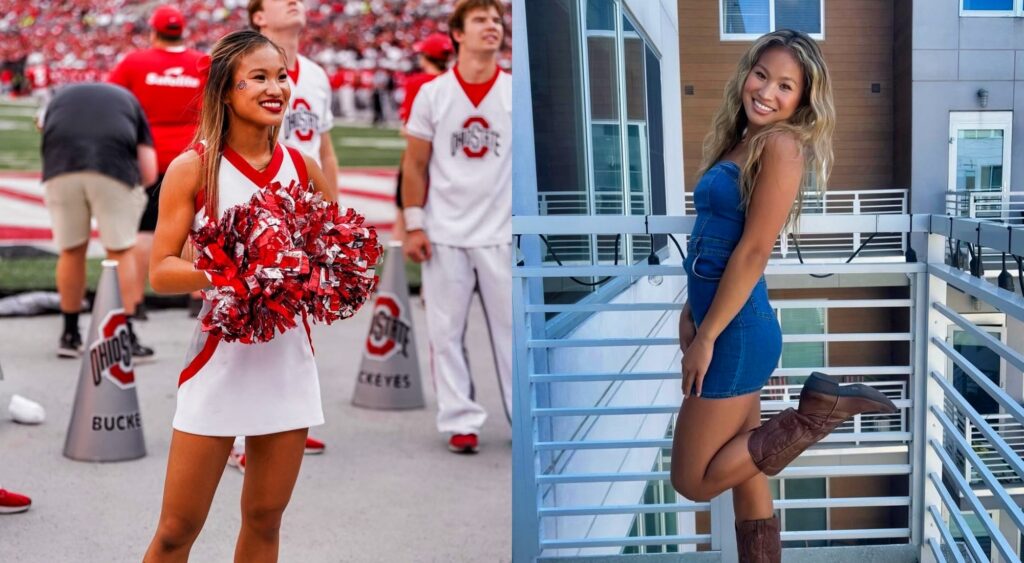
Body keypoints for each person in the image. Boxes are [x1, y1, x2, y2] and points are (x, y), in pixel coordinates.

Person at [668, 30, 896, 562]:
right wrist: (690, 309)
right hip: (725, 324)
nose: (767, 90)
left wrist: (706, 336)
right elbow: (715, 238)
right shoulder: (741, 140)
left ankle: (819, 413)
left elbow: (752, 252)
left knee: (693, 481)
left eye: (785, 85)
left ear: (802, 100)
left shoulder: (782, 145)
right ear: (747, 73)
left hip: (735, 333)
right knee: (746, 476)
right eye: (762, 74)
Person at [143, 30, 333, 561]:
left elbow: (332, 255)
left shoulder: (303, 169)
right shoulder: (194, 167)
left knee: (266, 520)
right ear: (226, 90)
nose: (275, 88)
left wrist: (328, 273)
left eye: (281, 76)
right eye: (258, 78)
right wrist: (233, 271)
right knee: (177, 529)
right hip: (218, 362)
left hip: (288, 360)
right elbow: (161, 271)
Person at [402, 0, 511, 454]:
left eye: (496, 20)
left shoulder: (513, 91)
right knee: (445, 335)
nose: (492, 26)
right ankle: (460, 419)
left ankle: (520, 418)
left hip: (501, 233)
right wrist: (414, 224)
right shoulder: (433, 93)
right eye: (480, 20)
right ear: (457, 34)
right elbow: (415, 164)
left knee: (512, 335)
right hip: (445, 230)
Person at [235, 0, 337, 470]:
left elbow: (325, 147)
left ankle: (289, 425)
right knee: (243, 311)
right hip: (251, 197)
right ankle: (238, 433)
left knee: (294, 321)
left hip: (299, 199)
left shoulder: (315, 74)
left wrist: (332, 216)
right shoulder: (235, 65)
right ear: (258, 16)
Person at [40, 82, 158, 359]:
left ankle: (69, 335)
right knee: (120, 249)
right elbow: (149, 168)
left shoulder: (60, 98)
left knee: (70, 250)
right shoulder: (129, 100)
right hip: (113, 168)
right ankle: (123, 335)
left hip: (61, 168)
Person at [107, 4, 206, 320]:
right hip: (193, 158)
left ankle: (135, 304)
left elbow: (111, 101)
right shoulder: (201, 64)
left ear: (153, 32)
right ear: (182, 32)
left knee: (143, 232)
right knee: (196, 229)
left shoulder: (135, 62)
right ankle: (197, 298)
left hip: (146, 159)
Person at [248, 0, 338, 201]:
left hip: (312, 201)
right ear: (259, 17)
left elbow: (326, 152)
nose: (293, 1)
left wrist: (334, 206)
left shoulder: (317, 74)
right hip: (263, 198)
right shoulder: (244, 70)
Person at [393, 32, 453, 240]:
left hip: (418, 156)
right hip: (449, 159)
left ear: (426, 56)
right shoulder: (453, 82)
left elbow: (408, 127)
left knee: (405, 214)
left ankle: (398, 265)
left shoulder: (417, 82)